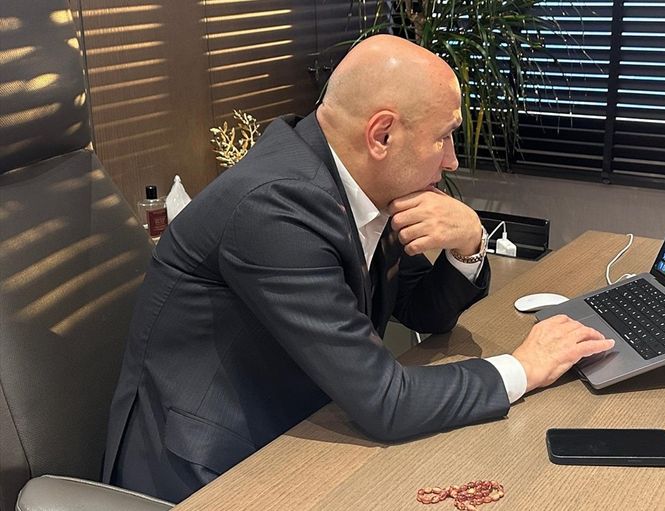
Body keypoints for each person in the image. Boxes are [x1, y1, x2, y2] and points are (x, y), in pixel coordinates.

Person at [102, 34, 614, 503]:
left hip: (305, 425)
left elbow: (424, 313)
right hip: (212, 472)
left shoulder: (360, 185)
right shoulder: (276, 208)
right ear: (381, 135)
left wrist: (469, 245)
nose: (453, 161)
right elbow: (385, 401)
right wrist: (525, 367)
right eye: (444, 138)